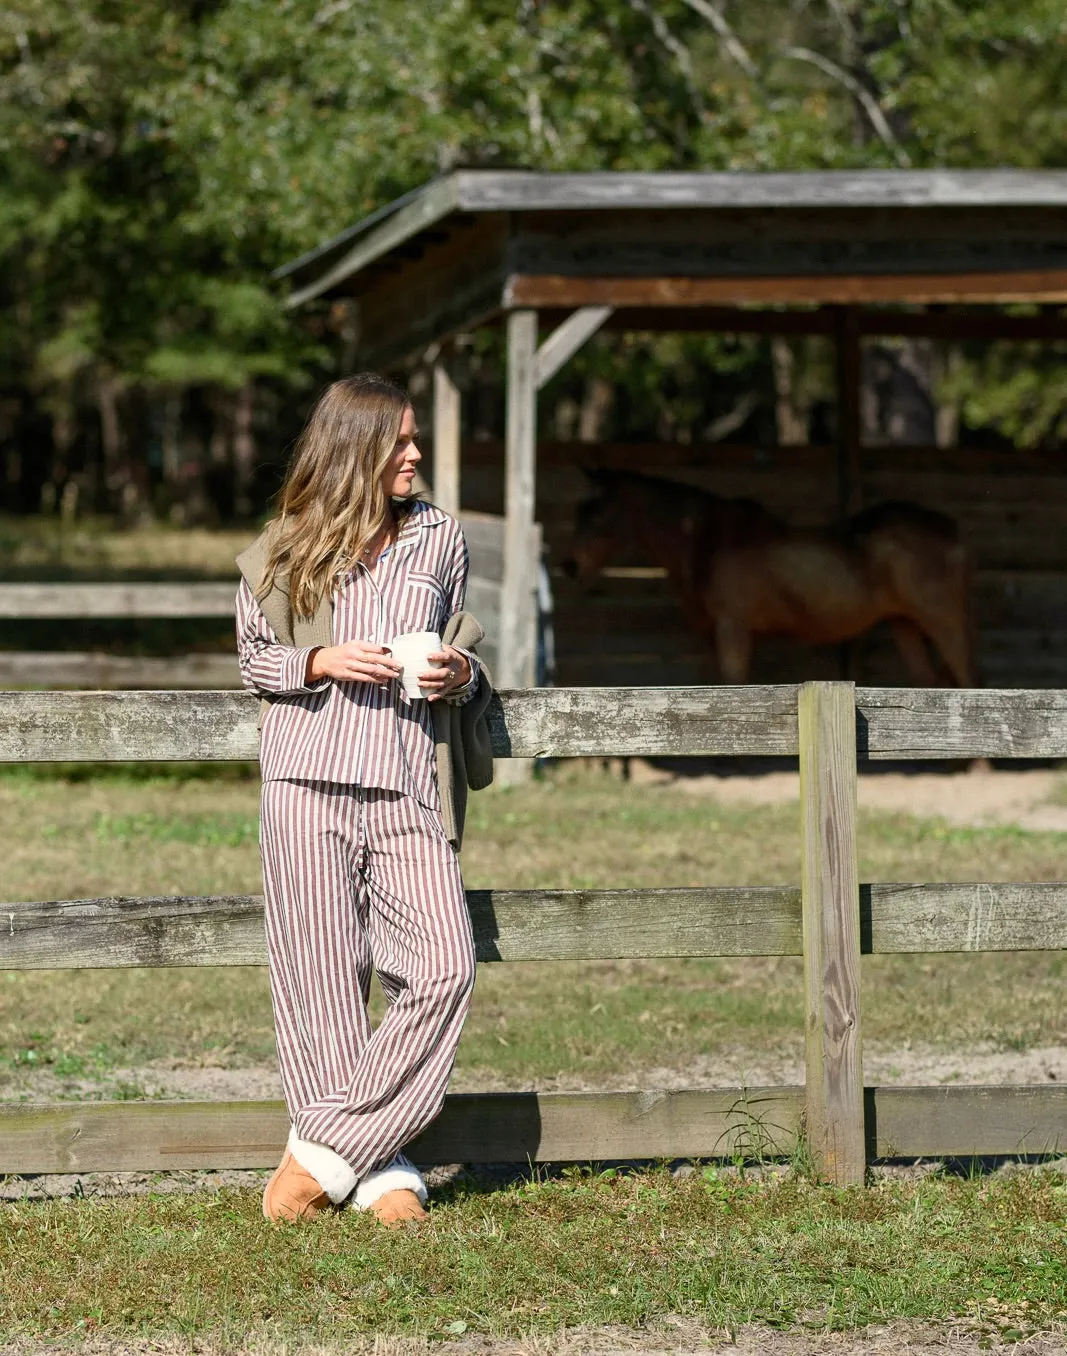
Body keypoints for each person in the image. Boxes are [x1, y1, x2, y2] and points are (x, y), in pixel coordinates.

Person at [234, 373, 493, 1226]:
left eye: (416, 439)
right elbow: (254, 662)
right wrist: (320, 661)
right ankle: (383, 1177)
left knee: (443, 969)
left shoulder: (439, 540)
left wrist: (459, 673)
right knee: (321, 984)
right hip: (304, 783)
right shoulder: (283, 546)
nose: (415, 455)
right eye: (401, 442)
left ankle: (321, 1157)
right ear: (354, 450)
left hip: (410, 784)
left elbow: (461, 650)